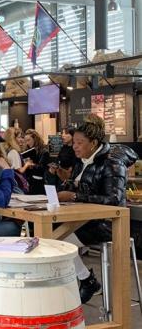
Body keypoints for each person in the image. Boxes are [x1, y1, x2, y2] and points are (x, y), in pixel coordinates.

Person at [58, 114, 137, 303]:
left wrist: (76, 196)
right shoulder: (82, 161)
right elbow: (82, 187)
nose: (74, 146)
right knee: (49, 239)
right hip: (84, 221)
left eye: (79, 142)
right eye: (74, 142)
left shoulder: (112, 162)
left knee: (59, 245)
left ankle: (86, 280)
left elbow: (115, 200)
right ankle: (81, 281)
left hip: (107, 224)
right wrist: (66, 182)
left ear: (93, 143)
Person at [21, 129, 50, 195]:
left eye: (29, 140)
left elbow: (42, 168)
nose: (27, 143)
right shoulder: (28, 150)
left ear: (35, 139)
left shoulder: (44, 151)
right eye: (26, 141)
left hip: (40, 183)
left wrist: (30, 164)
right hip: (30, 182)